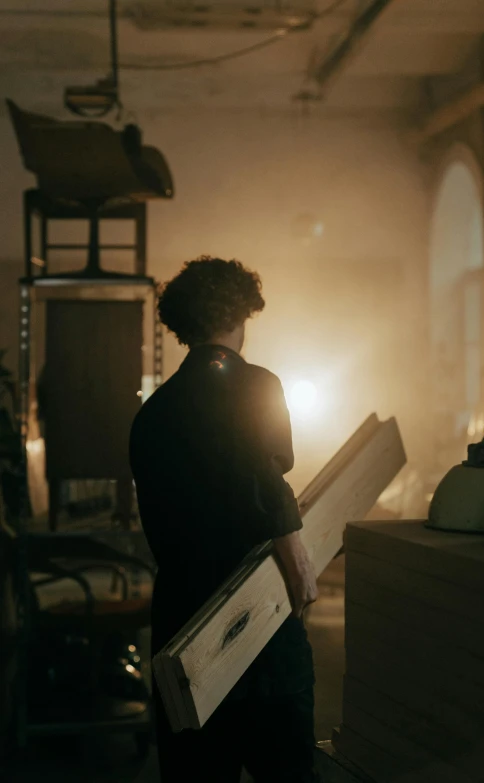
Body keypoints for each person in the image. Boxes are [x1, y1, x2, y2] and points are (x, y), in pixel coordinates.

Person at [130, 256, 318, 782]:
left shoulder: (153, 413)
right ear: (241, 317)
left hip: (181, 622)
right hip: (257, 618)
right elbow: (267, 475)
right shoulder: (258, 385)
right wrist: (299, 559)